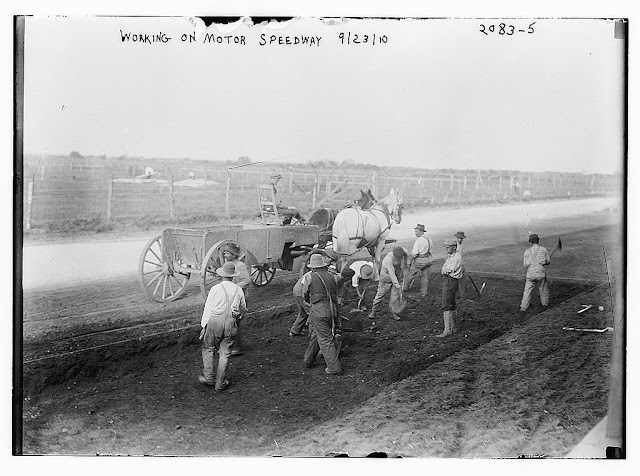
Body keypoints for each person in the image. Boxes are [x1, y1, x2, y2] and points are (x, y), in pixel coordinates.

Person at [198, 262, 247, 390]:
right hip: (231, 322)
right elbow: (243, 309)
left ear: (222, 276)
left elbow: (208, 308)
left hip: (215, 321)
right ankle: (220, 383)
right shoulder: (238, 289)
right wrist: (236, 319)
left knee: (208, 348)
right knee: (225, 353)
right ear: (233, 276)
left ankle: (209, 378)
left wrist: (204, 326)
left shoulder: (215, 289)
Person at [302, 253, 342, 375]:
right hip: (332, 309)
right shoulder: (333, 276)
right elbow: (336, 295)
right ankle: (308, 360)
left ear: (313, 267)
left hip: (319, 310)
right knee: (318, 334)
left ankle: (334, 368)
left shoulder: (309, 277)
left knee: (325, 339)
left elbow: (305, 295)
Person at [222, 243, 251, 356]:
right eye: (225, 252)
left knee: (234, 322)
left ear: (233, 255)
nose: (225, 254)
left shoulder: (240, 266)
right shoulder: (228, 265)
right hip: (231, 297)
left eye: (227, 253)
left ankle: (235, 348)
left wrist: (234, 287)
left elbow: (247, 281)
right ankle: (233, 346)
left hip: (240, 297)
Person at [368, 246, 407, 322]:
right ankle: (373, 312)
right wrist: (397, 285)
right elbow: (391, 273)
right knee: (380, 295)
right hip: (386, 277)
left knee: (395, 297)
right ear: (394, 255)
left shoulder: (402, 252)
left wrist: (405, 264)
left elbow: (405, 255)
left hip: (397, 275)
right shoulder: (388, 260)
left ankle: (392, 313)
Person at [438, 238, 463, 338]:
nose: (446, 249)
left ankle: (447, 330)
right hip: (451, 281)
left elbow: (446, 270)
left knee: (446, 304)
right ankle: (453, 328)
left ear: (454, 247)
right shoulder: (451, 256)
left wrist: (444, 269)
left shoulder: (456, 258)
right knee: (451, 303)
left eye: (448, 247)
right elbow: (444, 268)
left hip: (450, 281)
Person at [520, 234, 550, 312]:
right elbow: (548, 262)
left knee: (527, 291)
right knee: (543, 289)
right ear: (538, 240)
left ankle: (523, 307)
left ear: (530, 241)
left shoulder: (527, 251)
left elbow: (525, 264)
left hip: (530, 273)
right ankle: (545, 304)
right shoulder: (543, 249)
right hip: (541, 273)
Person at [404, 224, 433, 297]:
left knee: (410, 274)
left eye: (416, 231)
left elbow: (414, 254)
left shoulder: (419, 241)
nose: (415, 233)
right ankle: (424, 292)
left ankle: (405, 288)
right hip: (428, 259)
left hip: (420, 260)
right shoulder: (428, 239)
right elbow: (431, 247)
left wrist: (409, 261)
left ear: (421, 231)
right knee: (425, 276)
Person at [454, 231, 468, 299]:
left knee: (461, 281)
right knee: (459, 281)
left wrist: (463, 265)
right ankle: (460, 296)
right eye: (459, 238)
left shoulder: (461, 245)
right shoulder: (454, 246)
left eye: (462, 238)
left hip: (460, 265)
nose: (460, 240)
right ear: (456, 238)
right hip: (455, 266)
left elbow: (461, 257)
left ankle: (461, 295)